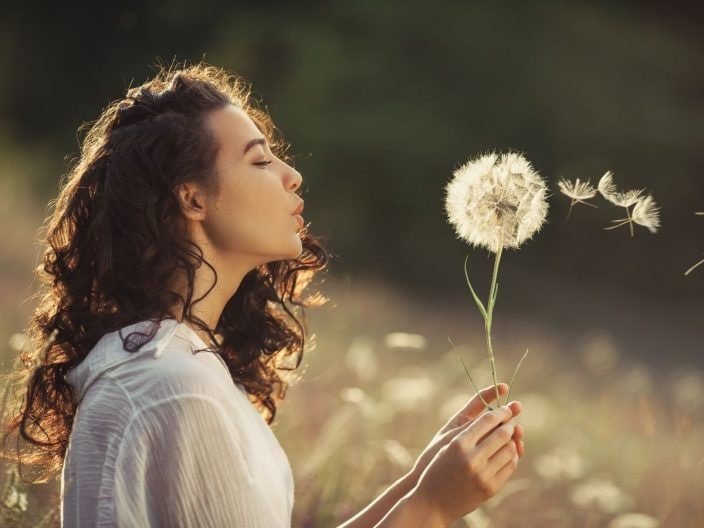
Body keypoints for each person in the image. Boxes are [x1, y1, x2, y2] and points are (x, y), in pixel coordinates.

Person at [1, 61, 525, 527]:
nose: (292, 176)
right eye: (259, 161)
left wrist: (416, 483)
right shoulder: (176, 388)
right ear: (192, 197)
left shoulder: (170, 362)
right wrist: (431, 509)